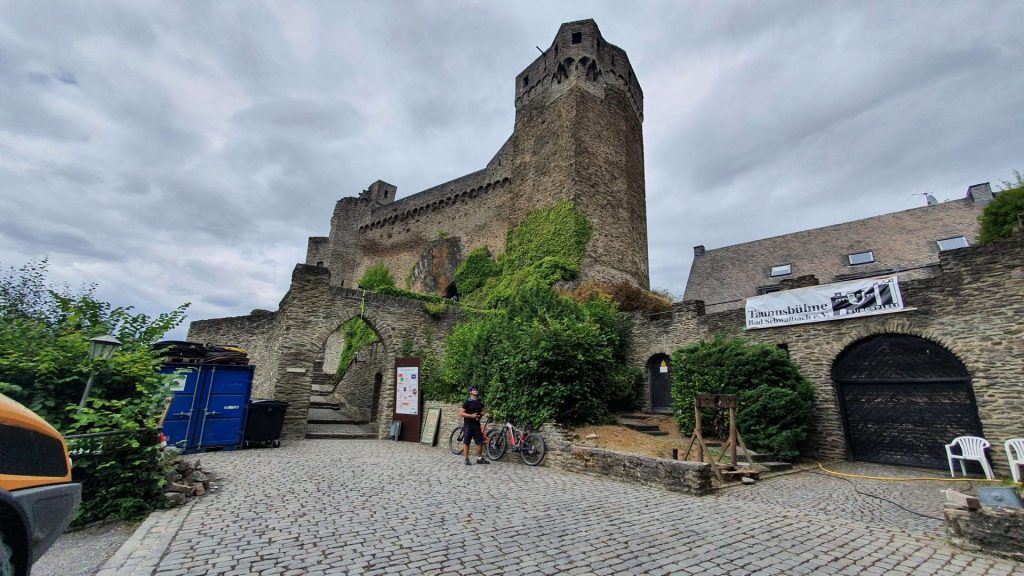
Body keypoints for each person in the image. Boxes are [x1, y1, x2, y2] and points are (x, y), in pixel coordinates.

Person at [458, 386, 488, 465]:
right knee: (467, 442)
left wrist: (481, 414)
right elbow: (461, 413)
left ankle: (479, 458)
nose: (476, 391)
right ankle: (466, 459)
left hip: (476, 425)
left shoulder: (479, 402)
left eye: (476, 390)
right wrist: (472, 416)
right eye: (473, 390)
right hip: (468, 424)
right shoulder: (467, 402)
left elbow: (481, 411)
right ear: (471, 392)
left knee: (480, 442)